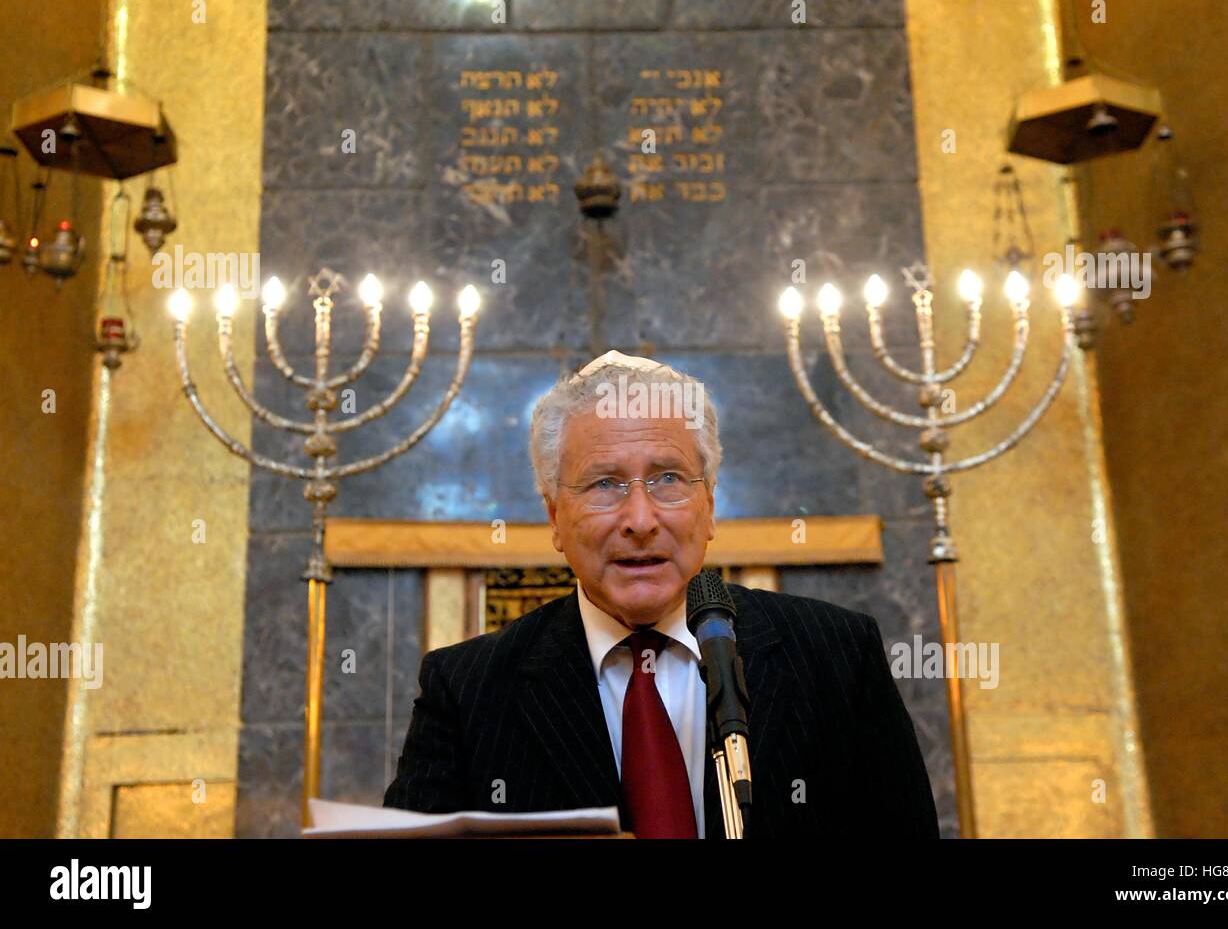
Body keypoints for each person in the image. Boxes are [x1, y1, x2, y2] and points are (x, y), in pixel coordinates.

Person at [384, 350, 940, 838]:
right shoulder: (466, 691)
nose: (641, 519)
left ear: (710, 504)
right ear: (554, 517)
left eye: (669, 479)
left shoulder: (837, 657)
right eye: (605, 484)